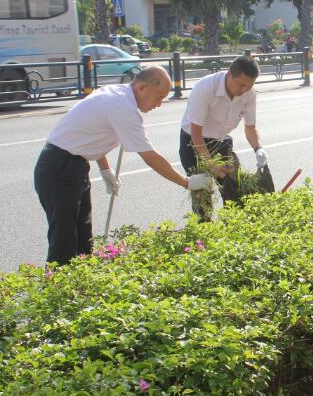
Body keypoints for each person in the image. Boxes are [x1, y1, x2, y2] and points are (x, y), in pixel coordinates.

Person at [34, 67, 212, 266]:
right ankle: (56, 289)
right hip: (59, 168)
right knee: (64, 238)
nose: (160, 104)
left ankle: (80, 287)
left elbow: (92, 134)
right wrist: (186, 182)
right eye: (159, 97)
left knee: (83, 235)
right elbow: (149, 156)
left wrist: (104, 169)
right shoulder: (123, 107)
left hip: (74, 166)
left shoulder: (117, 94)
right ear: (143, 87)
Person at [178, 56, 268, 218]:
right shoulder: (205, 88)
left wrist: (258, 148)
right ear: (229, 75)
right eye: (241, 85)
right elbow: (196, 134)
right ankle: (203, 234)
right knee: (203, 196)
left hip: (221, 141)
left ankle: (235, 230)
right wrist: (210, 165)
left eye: (249, 86)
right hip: (194, 144)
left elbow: (250, 127)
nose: (244, 90)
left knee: (235, 190)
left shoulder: (249, 94)